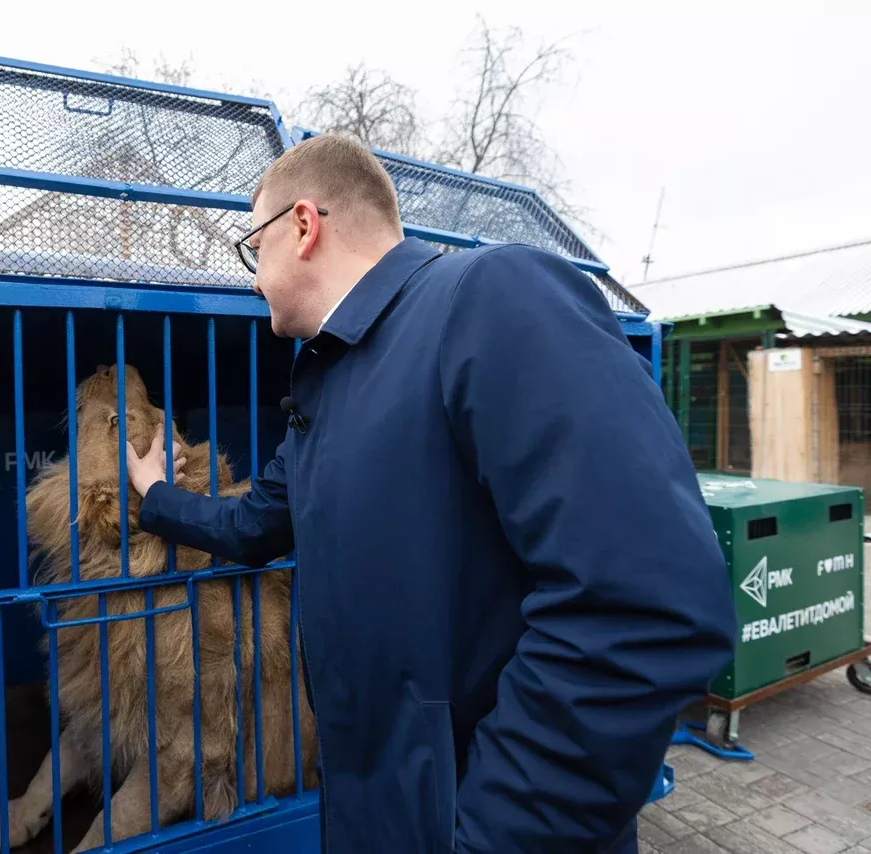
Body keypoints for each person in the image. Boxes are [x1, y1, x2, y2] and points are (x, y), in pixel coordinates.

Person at [125, 133, 736, 853]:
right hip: (368, 813)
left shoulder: (490, 297)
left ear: (301, 226)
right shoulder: (325, 390)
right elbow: (254, 523)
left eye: (252, 248)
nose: (253, 278)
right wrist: (156, 492)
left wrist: (492, 835)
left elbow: (646, 605)